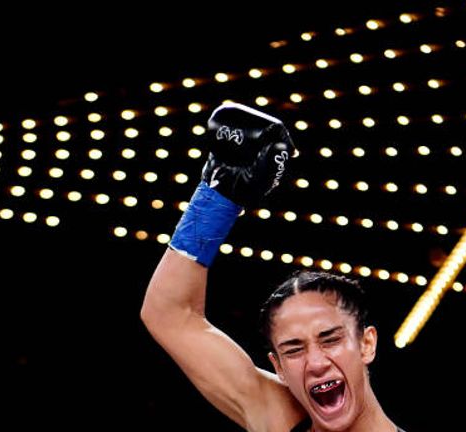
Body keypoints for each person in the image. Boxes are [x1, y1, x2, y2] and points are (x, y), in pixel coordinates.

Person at [141, 102, 405, 432]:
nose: (317, 363)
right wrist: (218, 196)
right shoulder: (277, 418)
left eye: (330, 339)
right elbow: (169, 314)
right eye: (294, 349)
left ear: (367, 344)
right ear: (277, 367)